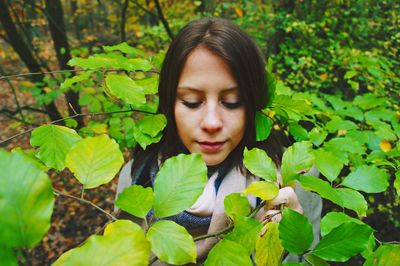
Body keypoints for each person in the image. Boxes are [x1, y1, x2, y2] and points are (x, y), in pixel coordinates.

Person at [116, 17, 322, 264]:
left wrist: (291, 241)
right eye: (192, 102)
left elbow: (312, 257)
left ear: (253, 103)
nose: (212, 122)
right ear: (169, 104)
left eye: (232, 101)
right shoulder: (136, 176)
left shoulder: (297, 178)